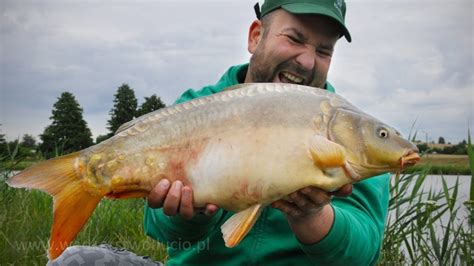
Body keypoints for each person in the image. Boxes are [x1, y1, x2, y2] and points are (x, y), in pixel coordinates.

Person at [50, 1, 389, 265]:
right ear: (256, 36)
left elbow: (362, 256)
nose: (306, 60)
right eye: (295, 38)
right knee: (74, 263)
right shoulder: (196, 106)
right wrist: (190, 215)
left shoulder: (348, 133)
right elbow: (158, 230)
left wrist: (312, 215)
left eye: (324, 50)